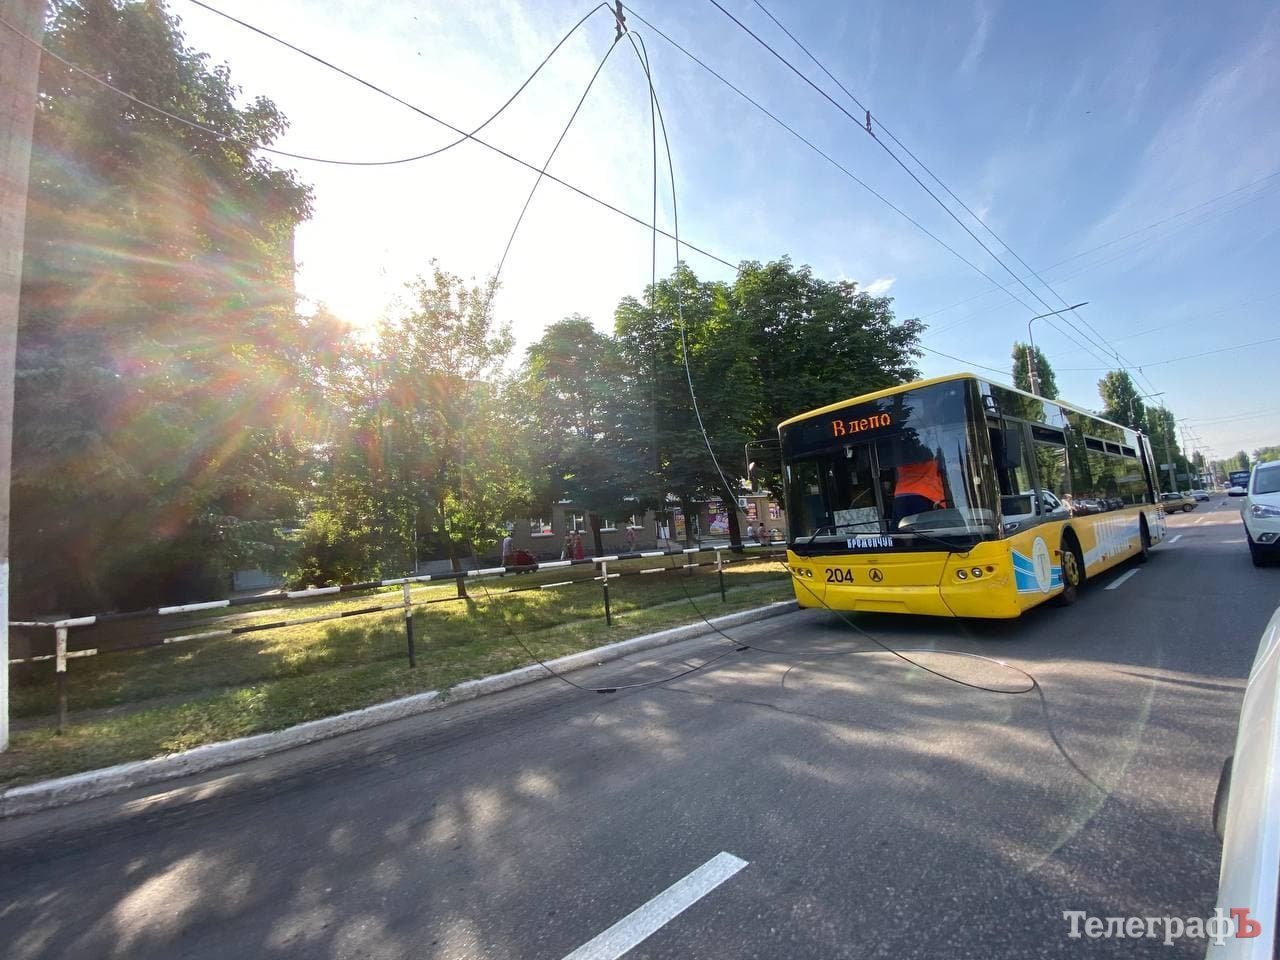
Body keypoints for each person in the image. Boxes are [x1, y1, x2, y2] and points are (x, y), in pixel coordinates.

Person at [892, 457, 947, 522]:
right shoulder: (929, 453)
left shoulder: (901, 453)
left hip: (901, 494)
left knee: (901, 526)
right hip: (925, 493)